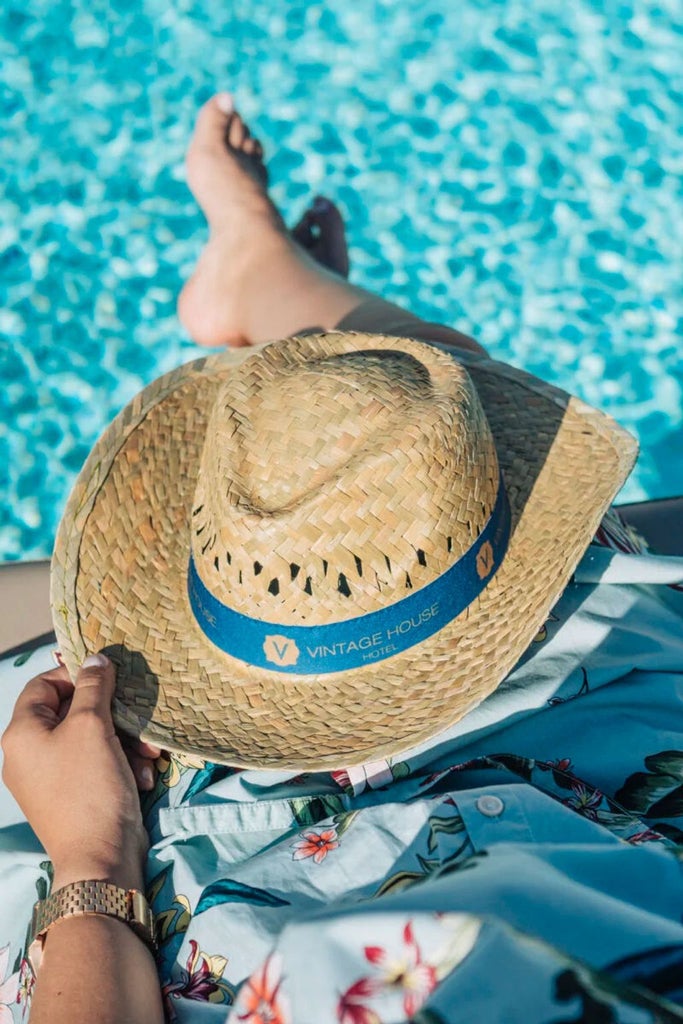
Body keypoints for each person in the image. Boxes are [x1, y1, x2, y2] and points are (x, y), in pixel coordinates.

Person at [1, 93, 683, 1024]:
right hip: (605, 755)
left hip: (189, 845)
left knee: (422, 397)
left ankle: (261, 268)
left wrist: (88, 861)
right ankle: (263, 269)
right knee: (433, 404)